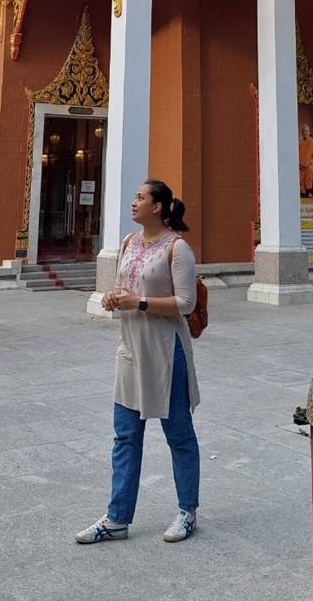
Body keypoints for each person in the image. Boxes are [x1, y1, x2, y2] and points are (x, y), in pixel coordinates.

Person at [75, 179, 201, 545]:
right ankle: (117, 518)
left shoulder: (177, 249)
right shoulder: (129, 243)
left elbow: (186, 304)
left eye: (140, 198)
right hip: (130, 349)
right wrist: (114, 299)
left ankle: (187, 510)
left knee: (178, 434)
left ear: (158, 207)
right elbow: (124, 287)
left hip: (165, 350)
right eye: (134, 197)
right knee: (125, 436)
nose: (134, 203)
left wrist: (139, 302)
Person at [298, 123, 313, 196]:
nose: (305, 132)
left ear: (309, 132)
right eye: (303, 131)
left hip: (309, 163)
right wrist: (299, 163)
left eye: (306, 131)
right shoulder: (298, 141)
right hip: (299, 163)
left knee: (310, 169)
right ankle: (301, 188)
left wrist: (307, 163)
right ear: (301, 132)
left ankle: (308, 190)